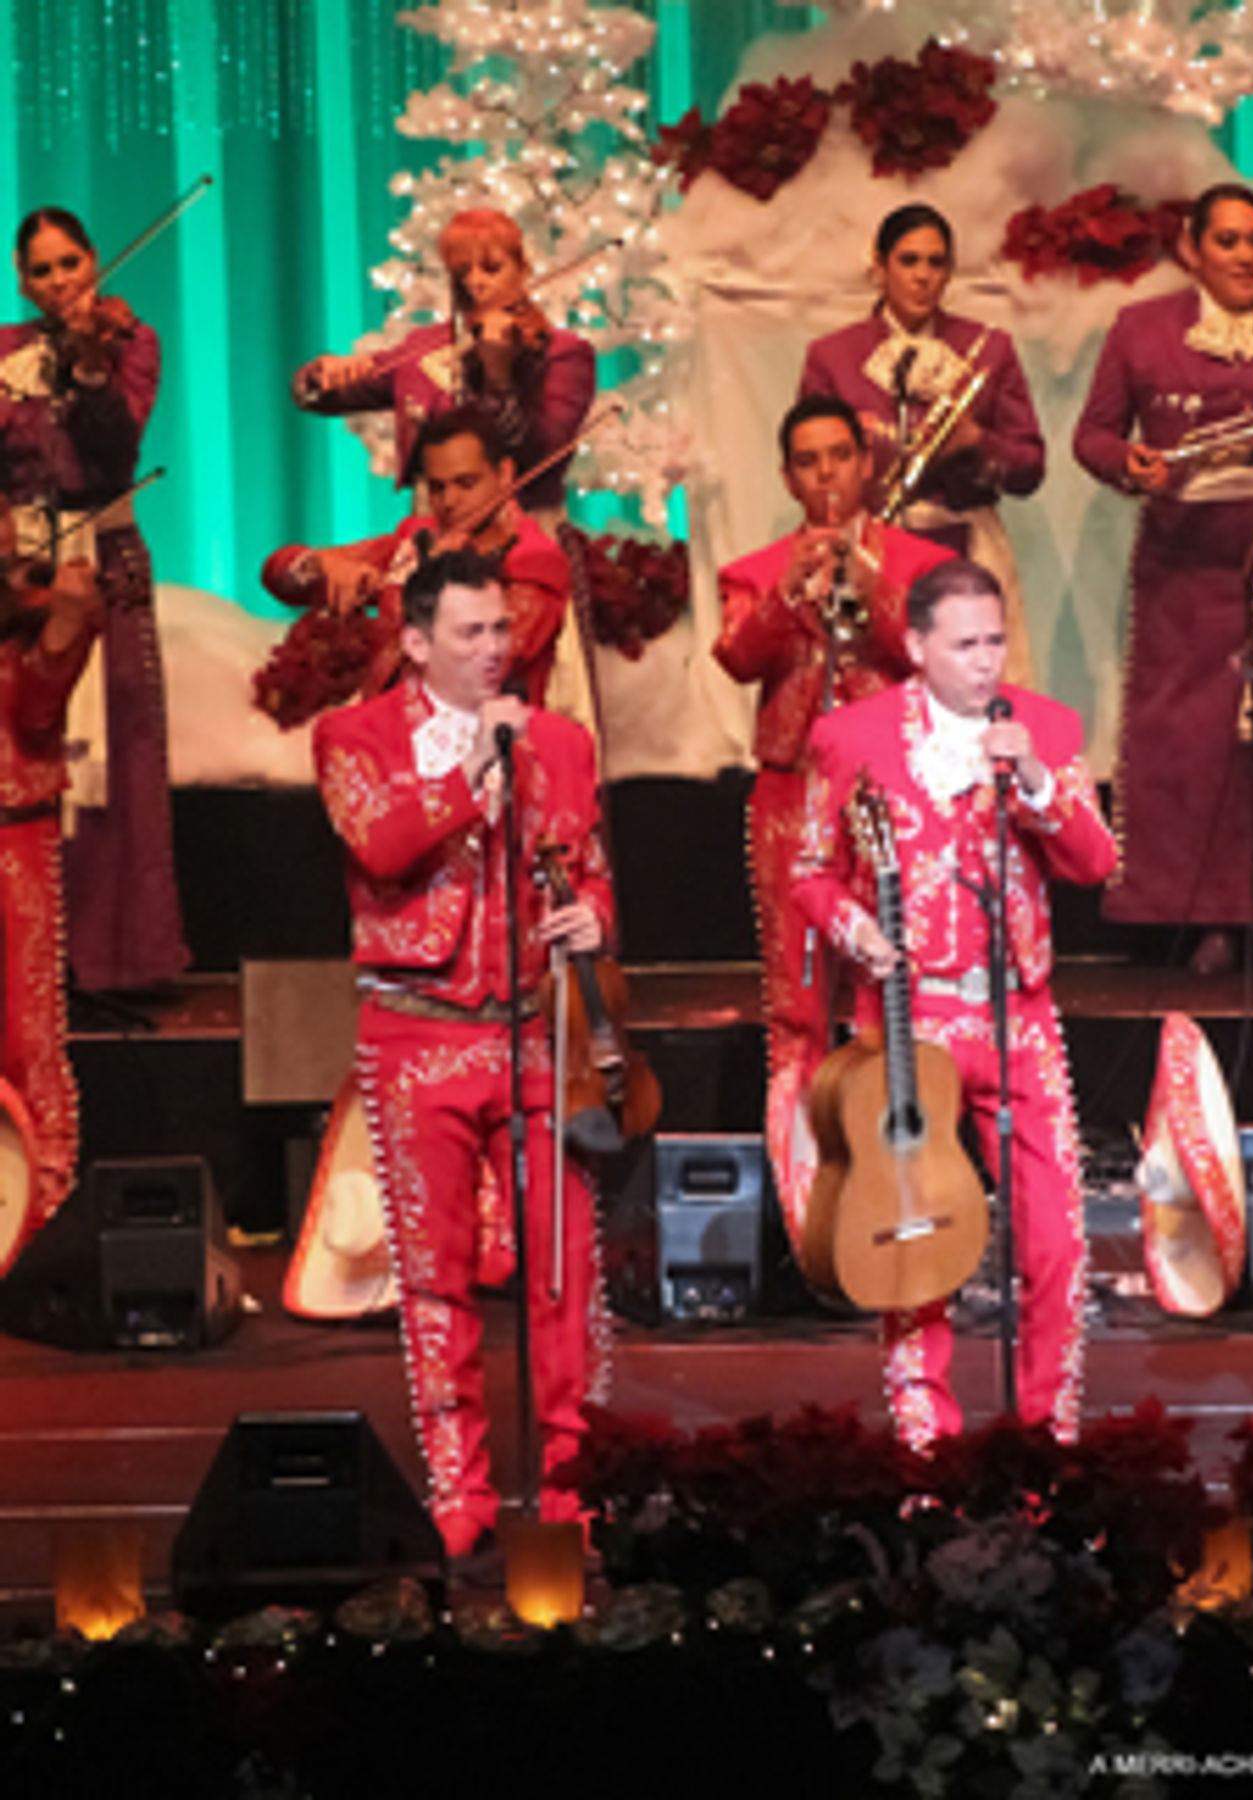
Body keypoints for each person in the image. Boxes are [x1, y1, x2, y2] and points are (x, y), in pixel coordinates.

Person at [313, 546, 614, 1558]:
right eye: (471, 634)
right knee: (435, 1280)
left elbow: (594, 870)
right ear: (414, 643)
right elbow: (383, 843)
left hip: (537, 1030)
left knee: (561, 1266)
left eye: (501, 631)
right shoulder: (352, 738)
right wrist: (472, 765)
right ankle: (460, 1490)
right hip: (418, 1033)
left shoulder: (562, 744)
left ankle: (574, 1479)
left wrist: (591, 921)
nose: (495, 651)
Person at [792, 559, 1116, 1448]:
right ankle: (923, 1438)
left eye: (996, 640)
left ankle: (1050, 1433)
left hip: (1017, 1011)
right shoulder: (853, 737)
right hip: (908, 1014)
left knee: (1056, 1243)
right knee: (911, 1234)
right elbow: (809, 871)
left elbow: (1095, 861)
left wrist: (1040, 783)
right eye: (965, 644)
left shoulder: (1041, 725)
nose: (985, 661)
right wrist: (856, 927)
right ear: (919, 647)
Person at [1074, 182, 1253, 955]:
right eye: (1227, 241)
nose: (1246, 256)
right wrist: (1132, 466)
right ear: (1191, 250)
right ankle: (1185, 917)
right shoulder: (1141, 330)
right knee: (1186, 736)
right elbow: (1094, 437)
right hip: (1183, 556)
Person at [713, 395, 953, 1245]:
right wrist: (788, 594)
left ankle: (897, 1198)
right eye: (808, 462)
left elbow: (932, 650)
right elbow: (739, 655)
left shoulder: (922, 564)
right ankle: (810, 1214)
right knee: (798, 1006)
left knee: (896, 997)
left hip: (891, 790)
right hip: (792, 796)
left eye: (840, 457)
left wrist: (870, 584)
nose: (826, 476)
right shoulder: (754, 568)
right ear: (788, 476)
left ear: (865, 463)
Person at [0, 206, 188, 993]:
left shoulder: (128, 342)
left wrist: (86, 368)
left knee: (114, 753)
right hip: (19, 572)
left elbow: (116, 447)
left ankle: (115, 959)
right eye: (40, 271)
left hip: (103, 559)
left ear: (95, 260)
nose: (57, 283)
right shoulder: (6, 354)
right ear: (21, 279)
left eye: (69, 264)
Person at [799, 203, 1044, 686]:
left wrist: (977, 443)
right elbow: (809, 468)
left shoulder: (989, 348)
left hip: (967, 546)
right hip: (869, 551)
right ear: (880, 264)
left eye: (936, 263)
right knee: (874, 695)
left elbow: (1030, 468)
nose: (923, 277)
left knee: (973, 697)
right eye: (909, 261)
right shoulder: (832, 356)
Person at [259, 406, 569, 722]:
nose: (449, 502)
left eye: (466, 483)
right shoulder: (417, 539)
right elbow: (277, 572)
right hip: (384, 736)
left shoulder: (536, 562)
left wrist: (437, 580)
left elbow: (471, 666)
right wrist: (320, 569)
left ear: (504, 475)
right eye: (438, 487)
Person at [293, 207, 596, 522]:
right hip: (434, 523)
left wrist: (498, 373)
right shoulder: (426, 346)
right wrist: (321, 377)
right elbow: (327, 396)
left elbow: (537, 452)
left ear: (522, 270)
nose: (475, 282)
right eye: (462, 271)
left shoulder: (563, 353)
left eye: (491, 268)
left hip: (523, 524)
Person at [0, 512, 102, 1238]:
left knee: (29, 1038)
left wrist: (65, 627)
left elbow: (36, 716)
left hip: (14, 833)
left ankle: (40, 1225)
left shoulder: (25, 624)